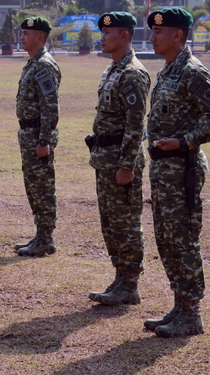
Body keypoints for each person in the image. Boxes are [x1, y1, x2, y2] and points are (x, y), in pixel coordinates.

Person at [143, 7, 210, 338]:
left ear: (177, 35)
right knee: (166, 239)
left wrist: (184, 140)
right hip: (164, 169)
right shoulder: (168, 71)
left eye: (158, 32)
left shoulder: (193, 72)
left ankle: (192, 314)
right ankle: (179, 307)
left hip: (183, 168)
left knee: (183, 240)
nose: (152, 37)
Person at [86, 12, 150, 306]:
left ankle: (130, 284)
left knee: (125, 223)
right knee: (110, 223)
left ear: (124, 36)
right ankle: (120, 279)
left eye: (107, 33)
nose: (102, 37)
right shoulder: (112, 69)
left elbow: (136, 124)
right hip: (105, 160)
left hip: (120, 163)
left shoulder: (132, 73)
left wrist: (127, 165)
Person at [13, 17, 60, 257]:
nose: (22, 37)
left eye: (26, 34)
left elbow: (50, 107)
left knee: (42, 187)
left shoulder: (44, 65)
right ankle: (41, 235)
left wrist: (44, 141)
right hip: (29, 133)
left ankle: (46, 238)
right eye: (22, 33)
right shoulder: (34, 63)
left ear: (40, 38)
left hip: (37, 136)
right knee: (33, 186)